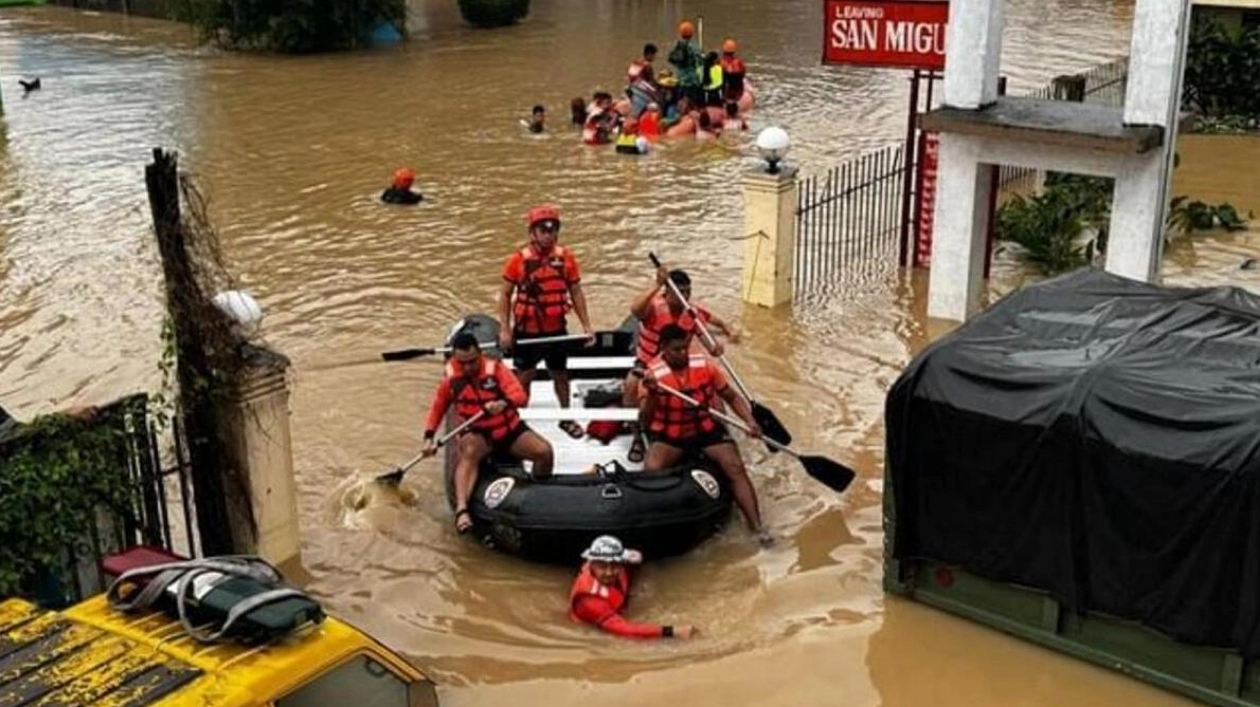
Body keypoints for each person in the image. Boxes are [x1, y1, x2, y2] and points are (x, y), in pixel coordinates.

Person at [639, 324, 770, 544]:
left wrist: (749, 421)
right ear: (663, 348)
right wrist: (652, 392)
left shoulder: (706, 367)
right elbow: (645, 418)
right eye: (676, 350)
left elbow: (731, 396)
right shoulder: (652, 374)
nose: (683, 354)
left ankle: (758, 529)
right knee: (652, 468)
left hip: (704, 429)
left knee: (735, 466)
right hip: (672, 435)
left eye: (684, 348)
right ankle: (655, 527)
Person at [422, 332, 554, 534]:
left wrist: (503, 403)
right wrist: (429, 437)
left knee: (544, 452)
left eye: (472, 362)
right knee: (469, 453)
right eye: (462, 363)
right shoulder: (451, 379)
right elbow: (437, 408)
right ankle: (462, 510)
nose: (468, 367)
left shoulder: (496, 370)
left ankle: (538, 493)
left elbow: (519, 395)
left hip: (507, 430)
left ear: (480, 354)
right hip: (477, 433)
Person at [622, 267, 738, 462]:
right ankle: (637, 437)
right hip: (648, 363)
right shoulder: (652, 308)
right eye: (680, 291)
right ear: (667, 292)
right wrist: (657, 283)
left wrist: (717, 344)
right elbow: (635, 309)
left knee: (711, 388)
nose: (684, 296)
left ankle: (719, 431)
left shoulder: (691, 312)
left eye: (687, 291)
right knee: (630, 386)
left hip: (679, 363)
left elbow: (707, 329)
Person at [498, 205, 594, 440]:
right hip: (528, 331)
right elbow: (504, 295)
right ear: (532, 233)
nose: (548, 234)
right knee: (524, 378)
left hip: (556, 330)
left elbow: (576, 292)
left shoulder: (566, 258)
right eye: (543, 230)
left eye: (552, 229)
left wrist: (586, 326)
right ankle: (519, 422)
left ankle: (566, 417)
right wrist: (505, 329)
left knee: (560, 375)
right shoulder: (518, 260)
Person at [569, 535, 697, 640]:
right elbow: (624, 630)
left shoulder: (625, 564)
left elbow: (634, 558)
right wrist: (671, 631)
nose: (609, 572)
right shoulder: (589, 601)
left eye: (614, 565)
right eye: (602, 567)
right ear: (592, 565)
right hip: (598, 626)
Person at [667, 20, 704, 105]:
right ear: (692, 34)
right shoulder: (694, 47)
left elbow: (671, 58)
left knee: (681, 100)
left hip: (681, 78)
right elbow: (700, 62)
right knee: (692, 102)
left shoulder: (677, 45)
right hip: (692, 79)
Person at [627, 43, 659, 118]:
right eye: (654, 55)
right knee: (659, 95)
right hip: (641, 89)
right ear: (649, 54)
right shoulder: (648, 65)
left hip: (632, 86)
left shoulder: (636, 62)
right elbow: (652, 81)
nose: (654, 58)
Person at [720, 38, 747, 107]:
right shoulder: (739, 62)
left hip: (726, 91)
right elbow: (743, 73)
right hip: (738, 91)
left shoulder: (720, 63)